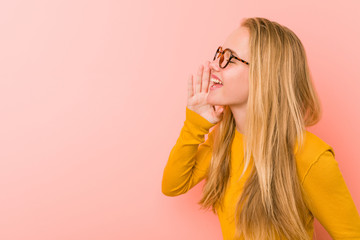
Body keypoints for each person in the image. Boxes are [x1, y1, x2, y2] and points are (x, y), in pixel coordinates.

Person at [161, 17, 360, 240]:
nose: (214, 65)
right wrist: (195, 123)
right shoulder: (222, 140)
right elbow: (173, 185)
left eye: (230, 59)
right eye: (219, 54)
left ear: (263, 75)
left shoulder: (311, 156)